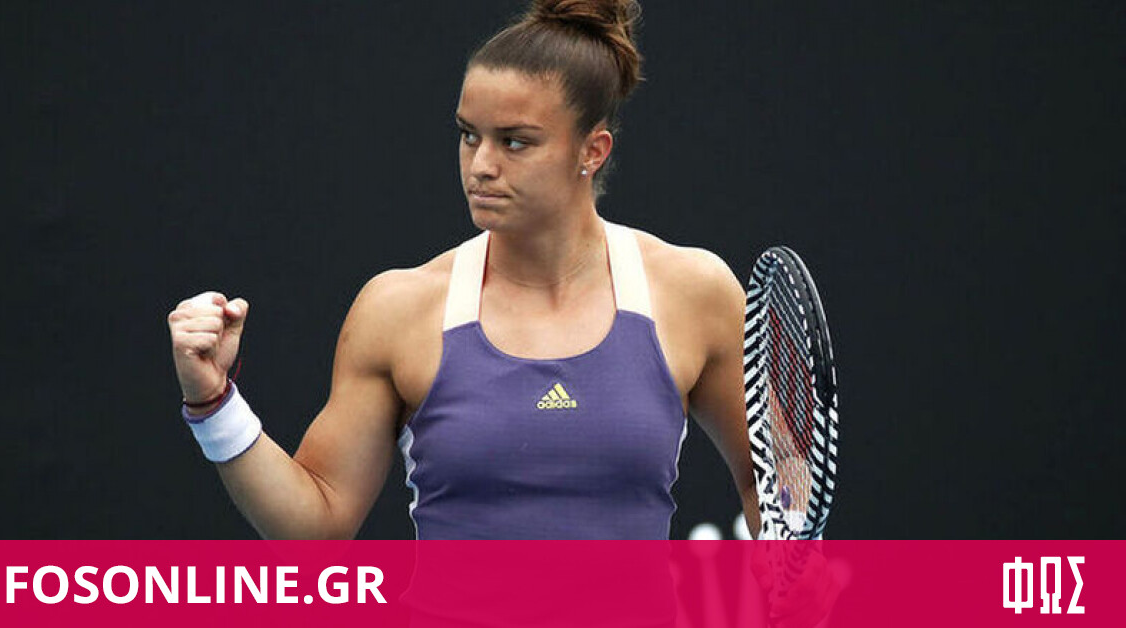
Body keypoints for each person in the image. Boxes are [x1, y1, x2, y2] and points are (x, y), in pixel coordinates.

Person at [167, 0, 758, 541]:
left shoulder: (695, 294)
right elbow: (315, 527)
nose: (481, 166)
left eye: (515, 142)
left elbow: (773, 489)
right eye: (469, 136)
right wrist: (214, 402)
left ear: (592, 151)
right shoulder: (398, 309)